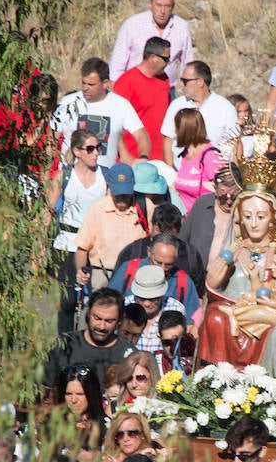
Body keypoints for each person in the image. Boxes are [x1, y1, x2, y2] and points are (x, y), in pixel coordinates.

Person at [197, 191, 276, 376]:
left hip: (265, 316)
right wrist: (213, 280)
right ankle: (220, 379)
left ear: (272, 219)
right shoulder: (234, 251)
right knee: (214, 317)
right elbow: (213, 291)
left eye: (261, 216)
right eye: (247, 216)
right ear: (240, 219)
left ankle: (269, 387)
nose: (253, 223)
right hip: (230, 312)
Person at [50, 128, 108, 331]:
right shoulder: (64, 176)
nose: (96, 153)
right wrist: (38, 246)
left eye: (98, 148)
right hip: (66, 244)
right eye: (90, 149)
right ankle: (64, 347)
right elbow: (47, 211)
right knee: (67, 302)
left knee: (93, 302)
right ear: (77, 151)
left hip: (93, 246)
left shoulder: (105, 177)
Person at [52, 56, 150, 164]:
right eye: (83, 83)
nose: (85, 88)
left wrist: (144, 158)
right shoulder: (67, 102)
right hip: (70, 175)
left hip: (105, 177)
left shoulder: (121, 105)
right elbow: (51, 139)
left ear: (105, 83)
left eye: (91, 84)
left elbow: (141, 135)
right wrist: (46, 175)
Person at [74, 164, 147, 291]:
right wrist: (80, 270)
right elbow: (82, 248)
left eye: (125, 193)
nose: (122, 197)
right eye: (117, 192)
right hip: (102, 274)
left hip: (136, 275)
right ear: (109, 186)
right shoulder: (97, 209)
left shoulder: (145, 207)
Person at [112, 200, 207, 298]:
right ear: (151, 225)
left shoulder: (191, 256)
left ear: (178, 231)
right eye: (159, 230)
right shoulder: (132, 252)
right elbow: (114, 293)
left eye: (168, 233)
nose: (162, 238)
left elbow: (197, 296)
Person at [109, 0, 193, 90]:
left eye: (167, 6)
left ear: (173, 7)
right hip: (135, 89)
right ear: (150, 4)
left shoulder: (181, 27)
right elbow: (116, 65)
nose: (162, 11)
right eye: (159, 5)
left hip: (166, 90)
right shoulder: (132, 25)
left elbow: (188, 62)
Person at [161, 60, 237, 164]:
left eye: (185, 81)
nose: (181, 84)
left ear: (200, 82)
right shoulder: (176, 105)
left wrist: (234, 175)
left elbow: (235, 143)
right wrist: (169, 172)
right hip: (180, 175)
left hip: (214, 175)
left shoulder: (226, 108)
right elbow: (168, 140)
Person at [110, 234, 202, 320]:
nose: (162, 268)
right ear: (149, 252)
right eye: (158, 262)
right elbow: (109, 304)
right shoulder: (129, 269)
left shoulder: (183, 281)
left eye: (168, 264)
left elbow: (192, 322)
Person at [112, 38, 172, 160]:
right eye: (166, 59)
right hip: (134, 158)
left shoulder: (164, 79)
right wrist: (125, 155)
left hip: (160, 158)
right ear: (153, 58)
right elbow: (114, 123)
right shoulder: (126, 82)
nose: (169, 63)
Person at [180, 164, 240, 268]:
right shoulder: (202, 203)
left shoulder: (244, 211)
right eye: (223, 197)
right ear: (215, 189)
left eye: (234, 197)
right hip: (197, 275)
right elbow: (182, 240)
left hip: (228, 278)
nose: (229, 202)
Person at [170, 107, 224, 214]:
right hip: (186, 221)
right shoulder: (186, 154)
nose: (174, 131)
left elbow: (222, 190)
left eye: (176, 127)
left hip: (205, 219)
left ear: (183, 130)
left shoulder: (210, 155)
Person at [56, 363, 105, 462]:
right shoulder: (53, 425)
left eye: (80, 394)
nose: (73, 400)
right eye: (68, 394)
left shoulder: (105, 425)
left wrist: (94, 457)